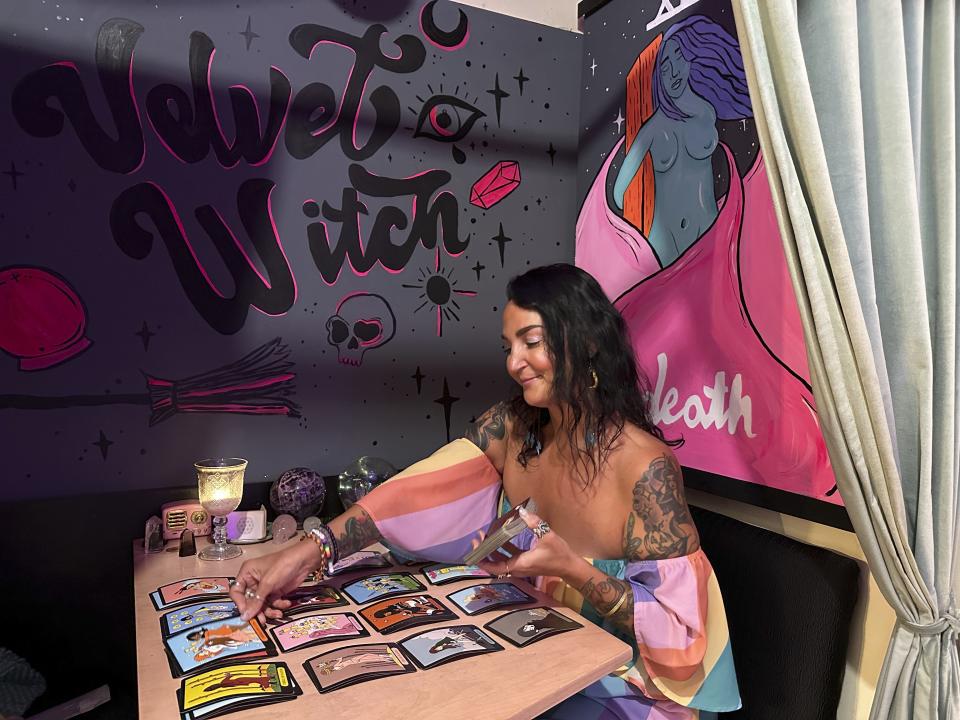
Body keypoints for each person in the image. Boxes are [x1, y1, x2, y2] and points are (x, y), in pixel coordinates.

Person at [230, 263, 740, 719]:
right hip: (536, 649)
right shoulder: (512, 427)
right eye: (508, 346)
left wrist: (574, 571)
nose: (514, 363)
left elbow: (681, 638)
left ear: (585, 342)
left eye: (532, 341)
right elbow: (410, 494)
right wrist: (304, 552)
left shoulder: (646, 467)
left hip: (627, 687)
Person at [612, 15, 752, 267]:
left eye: (679, 57)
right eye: (665, 66)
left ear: (691, 58)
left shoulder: (708, 112)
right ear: (658, 77)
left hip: (710, 232)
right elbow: (619, 194)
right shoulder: (652, 130)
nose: (674, 71)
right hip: (666, 244)